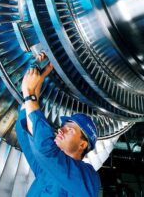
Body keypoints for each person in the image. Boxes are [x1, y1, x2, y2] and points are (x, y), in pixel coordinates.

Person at [16, 53, 101, 197]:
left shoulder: (88, 178)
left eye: (71, 130)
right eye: (64, 126)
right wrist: (38, 80)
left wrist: (29, 93)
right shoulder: (46, 169)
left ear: (82, 145)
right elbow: (25, 131)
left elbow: (45, 149)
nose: (62, 129)